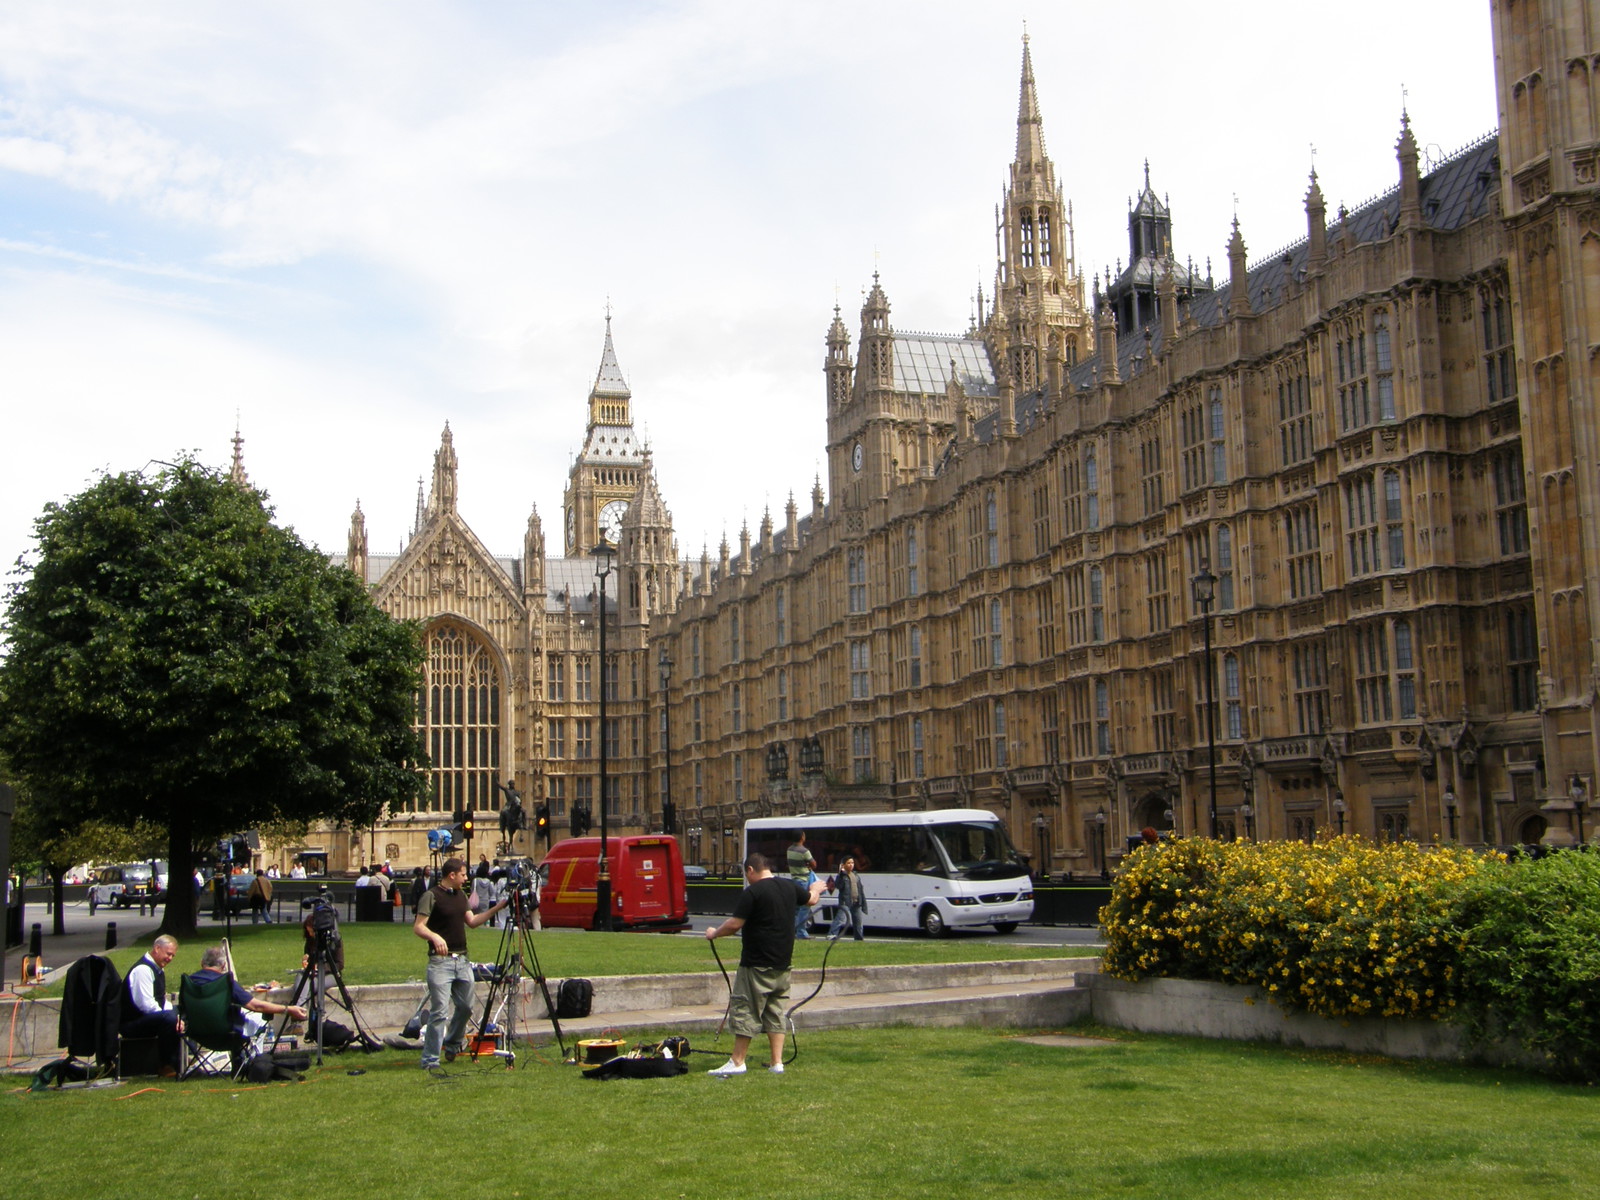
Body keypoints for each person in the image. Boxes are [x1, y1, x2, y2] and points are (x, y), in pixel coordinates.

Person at [703, 853, 826, 1076]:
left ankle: (738, 1061)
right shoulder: (789, 886)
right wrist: (817, 888)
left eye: (746, 873)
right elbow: (811, 899)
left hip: (757, 963)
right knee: (776, 1011)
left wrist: (714, 933)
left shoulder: (753, 892)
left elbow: (734, 924)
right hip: (783, 963)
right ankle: (776, 1063)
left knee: (746, 1008)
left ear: (750, 870)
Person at [413, 857, 508, 1071]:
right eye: (463, 874)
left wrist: (499, 907)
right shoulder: (432, 896)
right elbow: (419, 926)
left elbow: (472, 922)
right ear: (452, 875)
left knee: (466, 1007)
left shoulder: (461, 896)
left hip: (462, 961)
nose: (466, 878)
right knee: (439, 1011)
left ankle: (453, 1043)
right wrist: (435, 938)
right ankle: (430, 1060)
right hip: (440, 963)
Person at [190, 946, 307, 1064]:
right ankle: (256, 1063)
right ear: (224, 965)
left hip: (196, 1033)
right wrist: (288, 1009)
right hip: (225, 1033)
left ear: (201, 963)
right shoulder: (226, 982)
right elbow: (256, 1006)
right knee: (260, 1020)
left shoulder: (189, 982)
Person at [120, 935, 183, 1076]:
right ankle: (166, 1064)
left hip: (150, 1018)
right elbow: (147, 1005)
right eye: (168, 954)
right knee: (169, 1019)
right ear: (157, 948)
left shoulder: (158, 969)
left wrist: (178, 1015)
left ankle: (183, 1059)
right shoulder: (143, 970)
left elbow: (161, 1000)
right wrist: (172, 1017)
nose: (170, 959)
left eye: (173, 956)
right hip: (132, 1023)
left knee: (182, 1012)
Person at [827, 855, 868, 941]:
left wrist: (863, 902)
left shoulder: (856, 875)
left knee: (858, 921)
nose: (851, 865)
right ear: (843, 865)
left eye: (852, 863)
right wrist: (841, 874)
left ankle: (859, 938)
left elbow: (860, 889)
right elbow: (838, 886)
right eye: (848, 863)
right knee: (840, 918)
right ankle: (832, 934)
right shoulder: (842, 876)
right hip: (845, 901)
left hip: (857, 901)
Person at [786, 830, 816, 939]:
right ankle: (801, 932)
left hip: (794, 879)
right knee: (805, 907)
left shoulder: (789, 849)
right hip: (803, 880)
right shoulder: (804, 851)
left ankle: (791, 931)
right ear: (802, 838)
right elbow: (814, 864)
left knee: (796, 908)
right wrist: (807, 865)